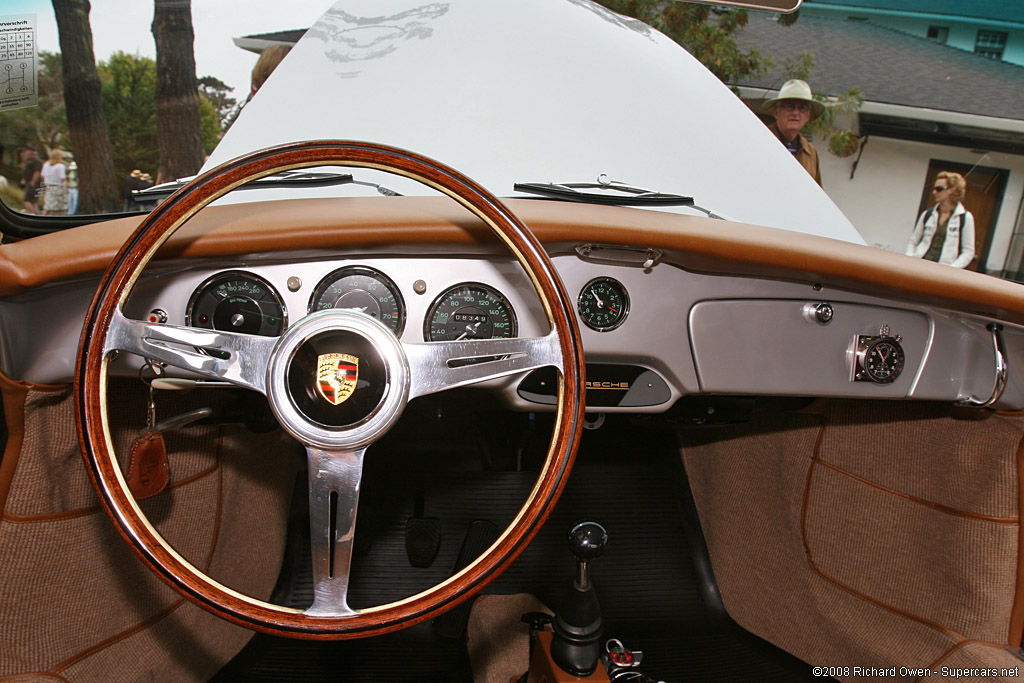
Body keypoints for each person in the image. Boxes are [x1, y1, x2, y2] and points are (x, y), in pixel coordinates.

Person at [905, 171, 975, 268]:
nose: (934, 192)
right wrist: (910, 259)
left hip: (944, 271)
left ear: (952, 190)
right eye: (934, 189)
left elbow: (968, 251)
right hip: (919, 266)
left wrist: (953, 269)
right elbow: (913, 241)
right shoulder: (927, 214)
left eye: (939, 189)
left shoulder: (965, 217)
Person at [763, 79, 825, 186]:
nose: (796, 113)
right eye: (790, 106)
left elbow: (817, 194)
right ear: (776, 112)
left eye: (802, 108)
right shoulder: (761, 141)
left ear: (808, 116)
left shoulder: (810, 153)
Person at [40, 148, 69, 216]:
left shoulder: (46, 164)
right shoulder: (60, 166)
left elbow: (42, 175)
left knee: (47, 205)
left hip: (49, 186)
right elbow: (62, 178)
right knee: (56, 207)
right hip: (58, 187)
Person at [19, 146, 42, 214]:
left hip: (34, 183)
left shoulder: (36, 161)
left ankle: (32, 214)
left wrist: (33, 181)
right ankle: (36, 214)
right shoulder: (28, 160)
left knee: (27, 200)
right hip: (28, 181)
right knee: (33, 201)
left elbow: (37, 172)